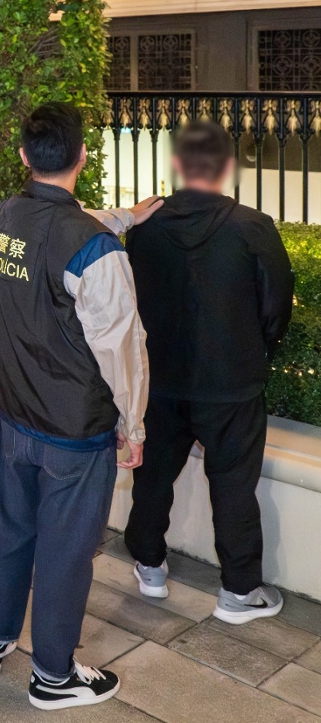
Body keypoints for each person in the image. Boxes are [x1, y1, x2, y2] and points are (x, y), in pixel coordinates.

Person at [0, 103, 155, 710]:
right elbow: (123, 348)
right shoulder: (94, 249)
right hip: (74, 430)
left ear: (24, 156)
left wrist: (125, 217)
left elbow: (55, 229)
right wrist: (134, 426)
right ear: (82, 156)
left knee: (10, 530)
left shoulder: (4, 216)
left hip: (15, 415)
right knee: (66, 550)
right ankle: (53, 675)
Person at [123, 120, 294, 624]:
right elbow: (276, 306)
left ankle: (149, 564)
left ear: (177, 164)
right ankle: (239, 591)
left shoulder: (144, 225)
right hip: (231, 382)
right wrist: (255, 347)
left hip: (160, 378)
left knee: (153, 474)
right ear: (227, 167)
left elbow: (129, 299)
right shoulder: (252, 226)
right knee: (234, 483)